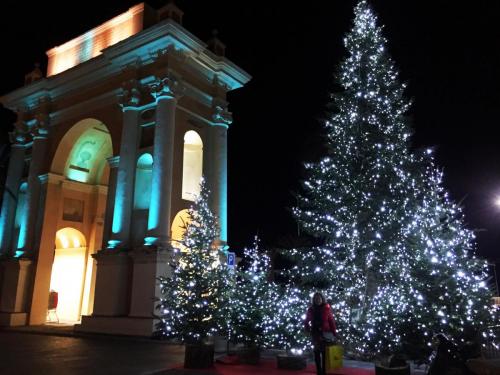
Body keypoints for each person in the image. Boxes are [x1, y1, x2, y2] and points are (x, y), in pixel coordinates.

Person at [304, 292, 337, 375]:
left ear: (322, 299)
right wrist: (307, 328)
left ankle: (324, 371)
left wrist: (334, 333)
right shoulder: (311, 309)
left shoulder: (326, 308)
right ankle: (319, 371)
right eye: (316, 299)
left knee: (324, 353)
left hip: (325, 332)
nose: (317, 300)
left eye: (319, 298)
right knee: (317, 352)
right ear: (314, 300)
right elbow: (306, 320)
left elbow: (331, 321)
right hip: (315, 332)